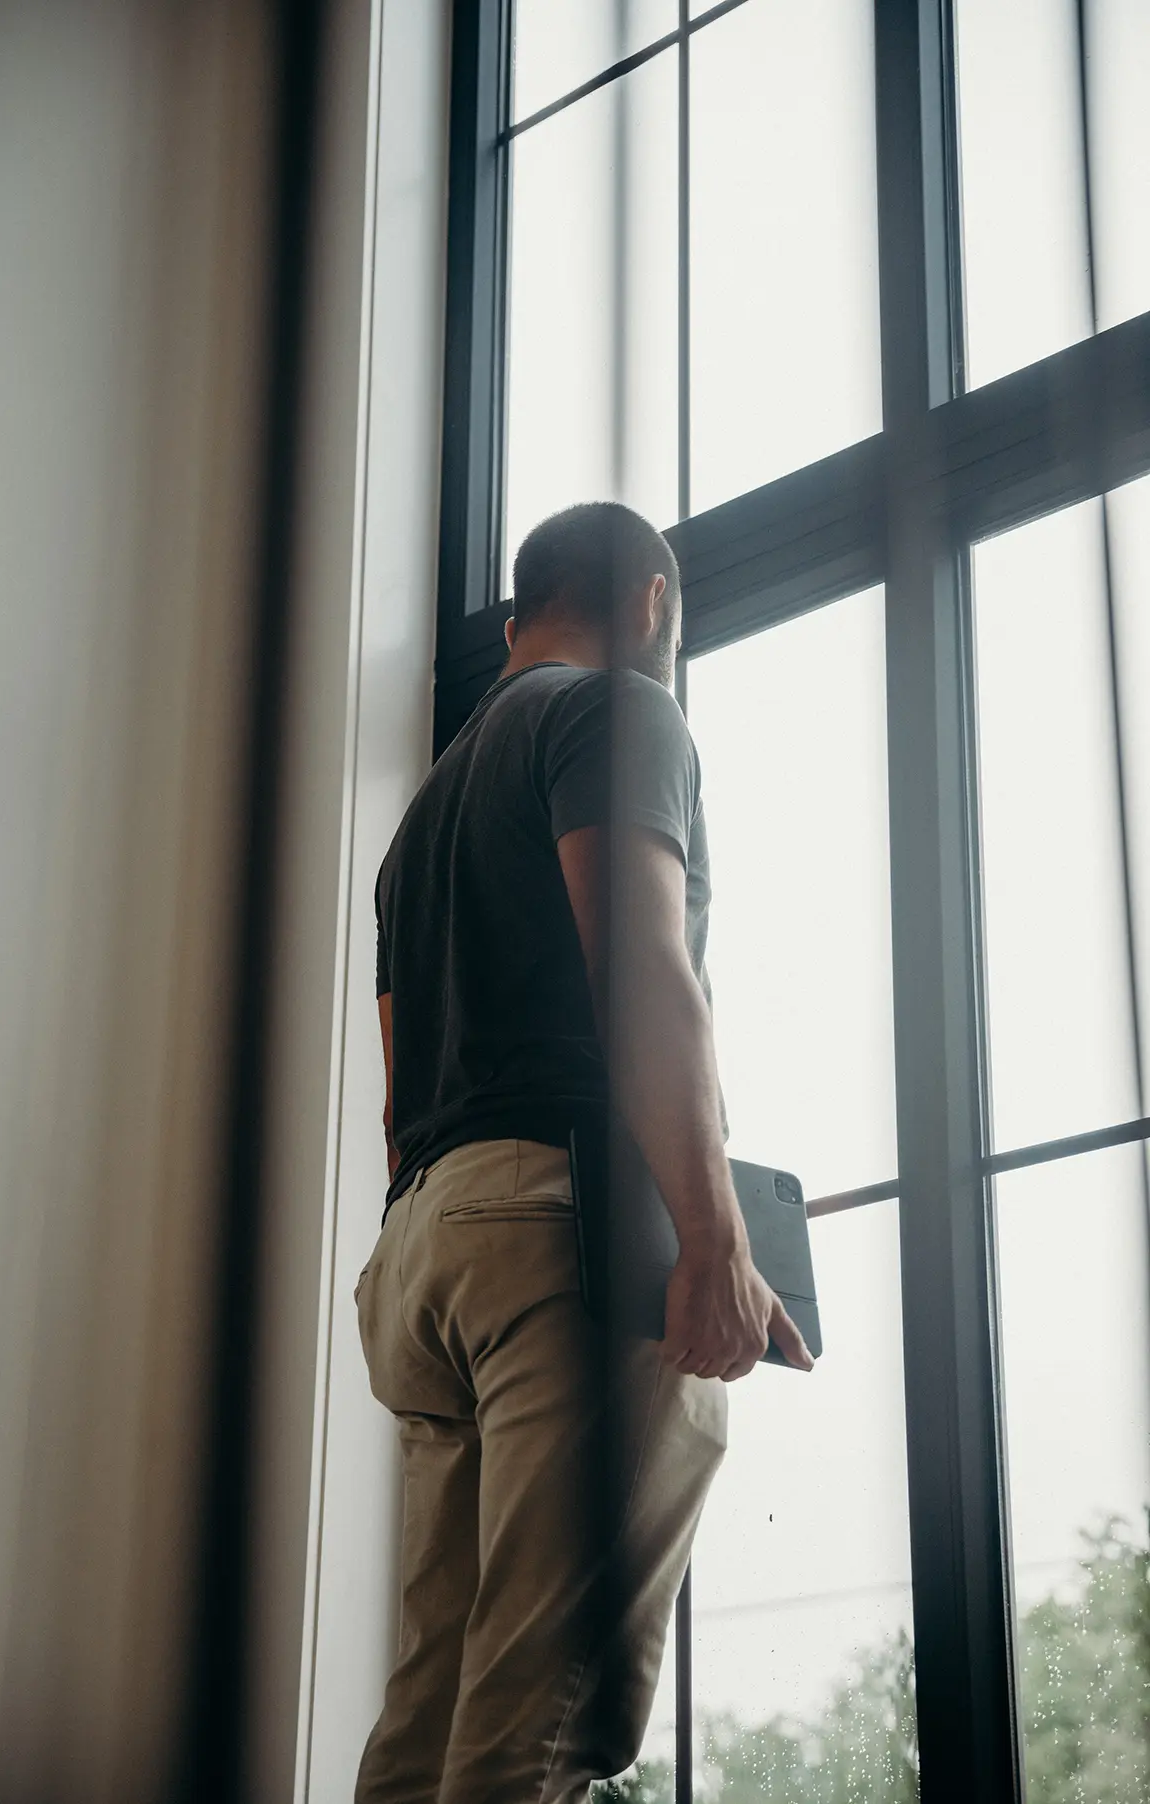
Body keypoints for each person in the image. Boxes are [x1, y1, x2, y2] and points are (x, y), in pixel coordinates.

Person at [355, 501, 812, 1803]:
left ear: (512, 621)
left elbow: (399, 1103)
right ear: (654, 606)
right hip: (560, 1237)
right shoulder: (617, 713)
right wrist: (714, 1238)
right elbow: (644, 970)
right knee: (538, 1722)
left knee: (432, 1715)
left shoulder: (418, 828)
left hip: (424, 1253)